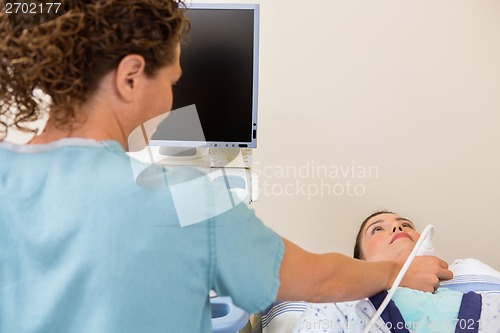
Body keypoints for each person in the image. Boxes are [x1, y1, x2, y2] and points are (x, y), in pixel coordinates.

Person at [0, 2, 452, 332]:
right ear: (131, 76)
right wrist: (395, 272)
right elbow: (319, 279)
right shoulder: (186, 196)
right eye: (174, 81)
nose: (171, 101)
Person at [291, 211, 500, 333]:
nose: (398, 229)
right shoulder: (339, 301)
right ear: (360, 262)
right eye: (377, 229)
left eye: (406, 224)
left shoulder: (483, 299)